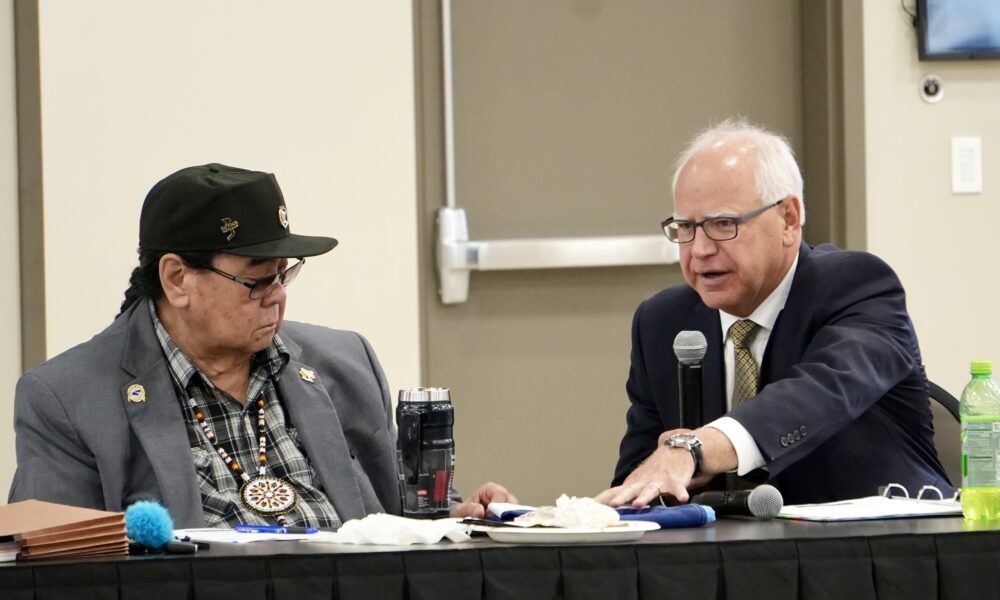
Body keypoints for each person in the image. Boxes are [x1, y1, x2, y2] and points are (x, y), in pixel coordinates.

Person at [9, 163, 513, 528]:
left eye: (283, 275)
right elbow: (53, 566)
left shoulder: (345, 364)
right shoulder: (70, 399)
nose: (277, 298)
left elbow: (402, 517)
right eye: (255, 281)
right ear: (177, 278)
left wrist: (457, 516)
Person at [596, 118, 952, 509]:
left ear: (788, 219)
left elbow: (817, 394)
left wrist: (696, 449)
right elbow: (641, 480)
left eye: (722, 224)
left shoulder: (857, 287)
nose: (698, 250)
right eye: (685, 227)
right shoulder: (663, 322)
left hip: (881, 553)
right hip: (721, 561)